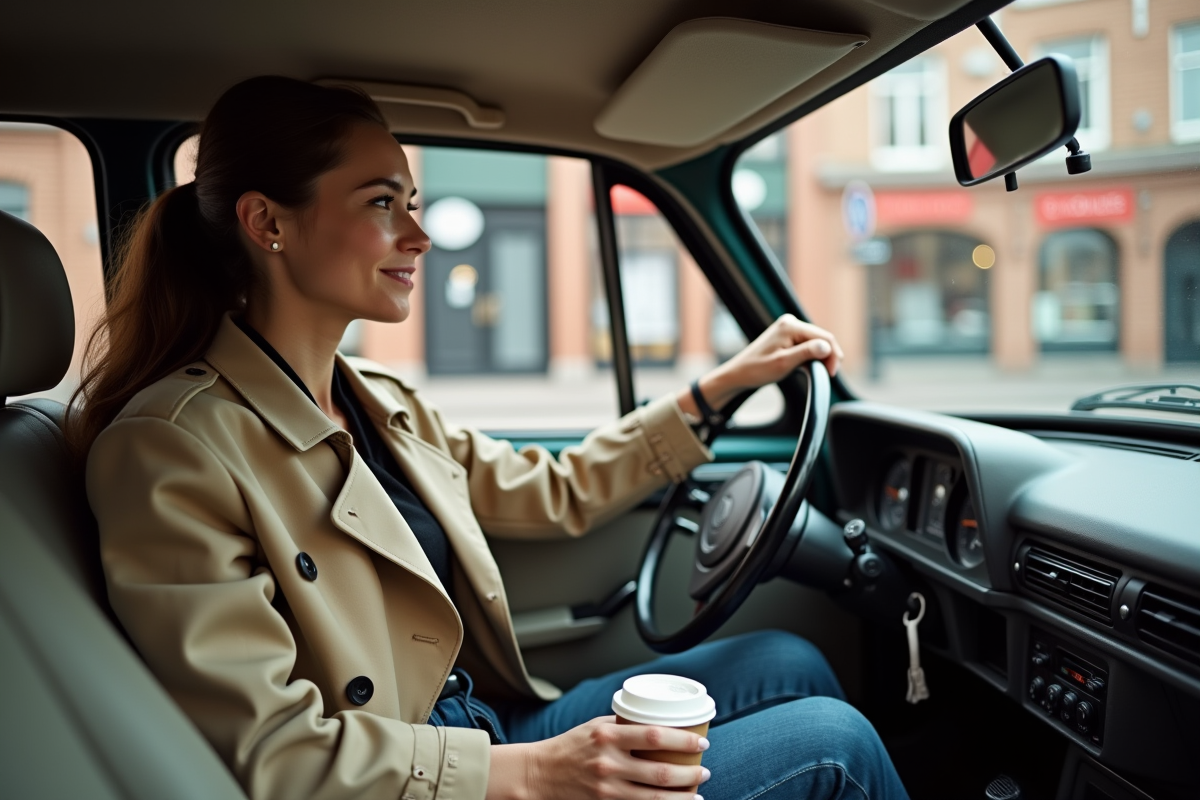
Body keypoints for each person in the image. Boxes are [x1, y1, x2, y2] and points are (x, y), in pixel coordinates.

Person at [71, 76, 908, 800]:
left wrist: (714, 391)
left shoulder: (377, 400)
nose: (419, 237)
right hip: (414, 775)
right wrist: (541, 775)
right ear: (268, 223)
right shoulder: (171, 449)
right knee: (834, 745)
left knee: (787, 661)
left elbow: (557, 488)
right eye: (380, 204)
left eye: (414, 204)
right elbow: (278, 755)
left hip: (483, 722)